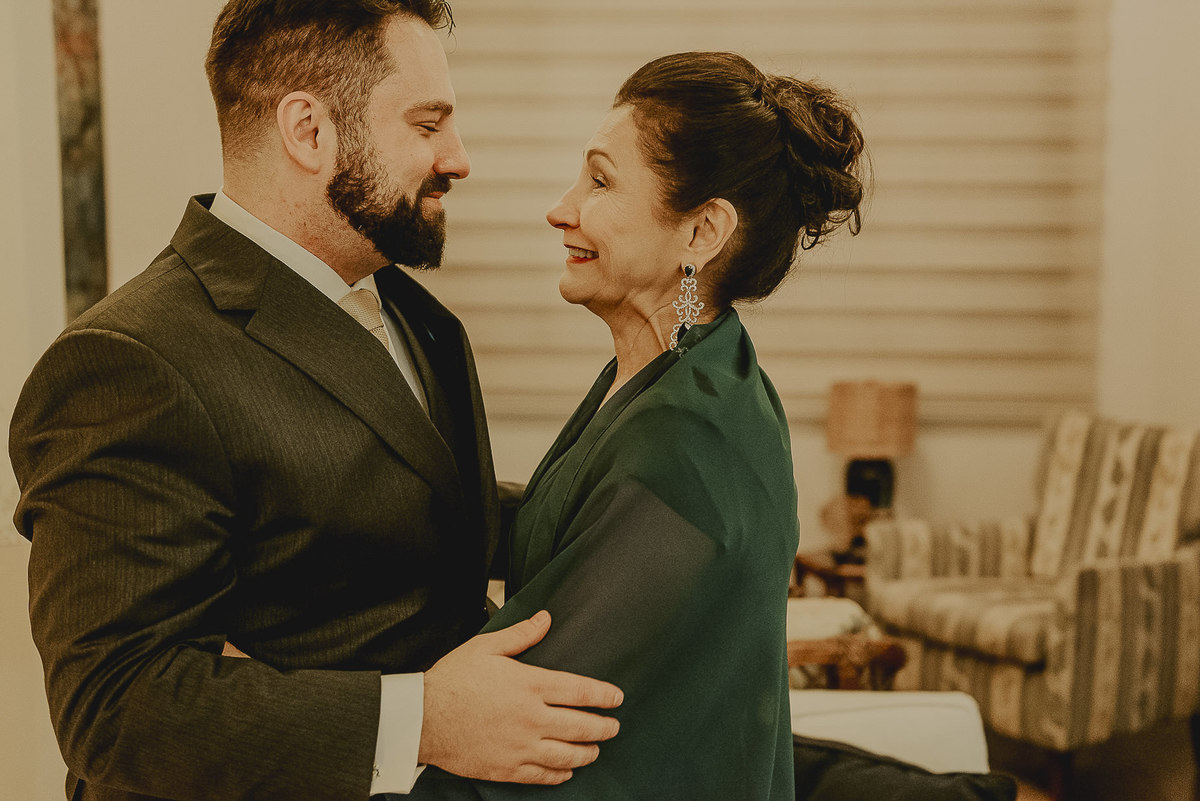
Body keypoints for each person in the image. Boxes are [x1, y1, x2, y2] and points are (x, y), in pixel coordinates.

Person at [8, 2, 623, 800]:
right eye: (428, 124)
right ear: (309, 131)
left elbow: (417, 518)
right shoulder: (127, 361)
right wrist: (426, 718)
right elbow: (118, 706)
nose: (459, 158)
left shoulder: (413, 314)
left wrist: (646, 513)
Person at [401, 51, 868, 800]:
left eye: (600, 180)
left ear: (702, 232)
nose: (562, 208)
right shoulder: (692, 370)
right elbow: (576, 520)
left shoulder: (687, 436)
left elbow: (523, 720)